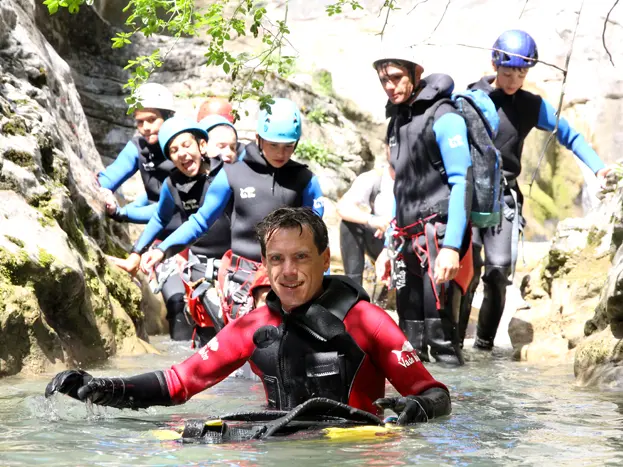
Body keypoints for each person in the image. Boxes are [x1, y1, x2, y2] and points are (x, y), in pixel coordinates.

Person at [45, 207, 451, 425]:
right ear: (266, 265)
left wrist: (418, 409)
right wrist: (102, 387)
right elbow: (178, 383)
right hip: (276, 442)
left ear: (325, 259)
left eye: (301, 257)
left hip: (354, 452)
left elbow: (435, 393)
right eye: (276, 259)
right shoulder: (252, 327)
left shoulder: (369, 321)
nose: (287, 271)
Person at [459, 30, 611, 351]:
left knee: (498, 273)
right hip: (469, 195)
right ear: (495, 64)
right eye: (508, 72)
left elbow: (569, 135)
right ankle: (455, 346)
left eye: (522, 73)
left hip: (504, 198)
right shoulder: (471, 99)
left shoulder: (532, 105)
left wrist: (599, 168)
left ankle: (483, 347)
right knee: (467, 272)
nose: (514, 79)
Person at [139, 98, 325, 321]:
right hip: (243, 271)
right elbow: (200, 221)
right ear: (258, 139)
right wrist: (163, 250)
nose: (281, 153)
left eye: (288, 146)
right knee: (262, 314)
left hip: (289, 267)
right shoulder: (233, 174)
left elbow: (316, 237)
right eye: (273, 145)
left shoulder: (305, 180)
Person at [373, 51, 473, 366]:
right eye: (383, 80)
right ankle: (413, 410)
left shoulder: (445, 117)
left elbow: (462, 183)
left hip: (439, 239)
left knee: (441, 340)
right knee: (409, 343)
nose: (389, 86)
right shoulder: (396, 122)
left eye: (396, 78)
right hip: (405, 241)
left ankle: (458, 412)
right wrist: (389, 244)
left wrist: (452, 247)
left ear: (416, 73)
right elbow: (399, 186)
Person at [115, 116, 238, 342]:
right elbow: (160, 219)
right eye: (174, 150)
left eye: (186, 145)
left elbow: (203, 220)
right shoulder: (172, 184)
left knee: (236, 330)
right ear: (170, 157)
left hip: (235, 262)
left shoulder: (226, 174)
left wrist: (163, 251)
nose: (181, 153)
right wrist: (136, 254)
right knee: (209, 336)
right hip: (201, 264)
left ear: (202, 146)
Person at [97, 83, 178, 227]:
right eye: (140, 121)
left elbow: (174, 206)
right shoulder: (138, 147)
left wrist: (121, 212)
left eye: (152, 120)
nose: (145, 127)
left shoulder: (184, 149)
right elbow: (110, 177)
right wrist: (101, 190)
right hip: (161, 229)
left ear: (168, 118)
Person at [336, 145, 395, 286]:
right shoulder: (375, 177)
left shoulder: (421, 177)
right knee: (349, 223)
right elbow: (342, 207)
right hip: (381, 239)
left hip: (410, 243)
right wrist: (372, 220)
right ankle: (353, 287)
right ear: (386, 148)